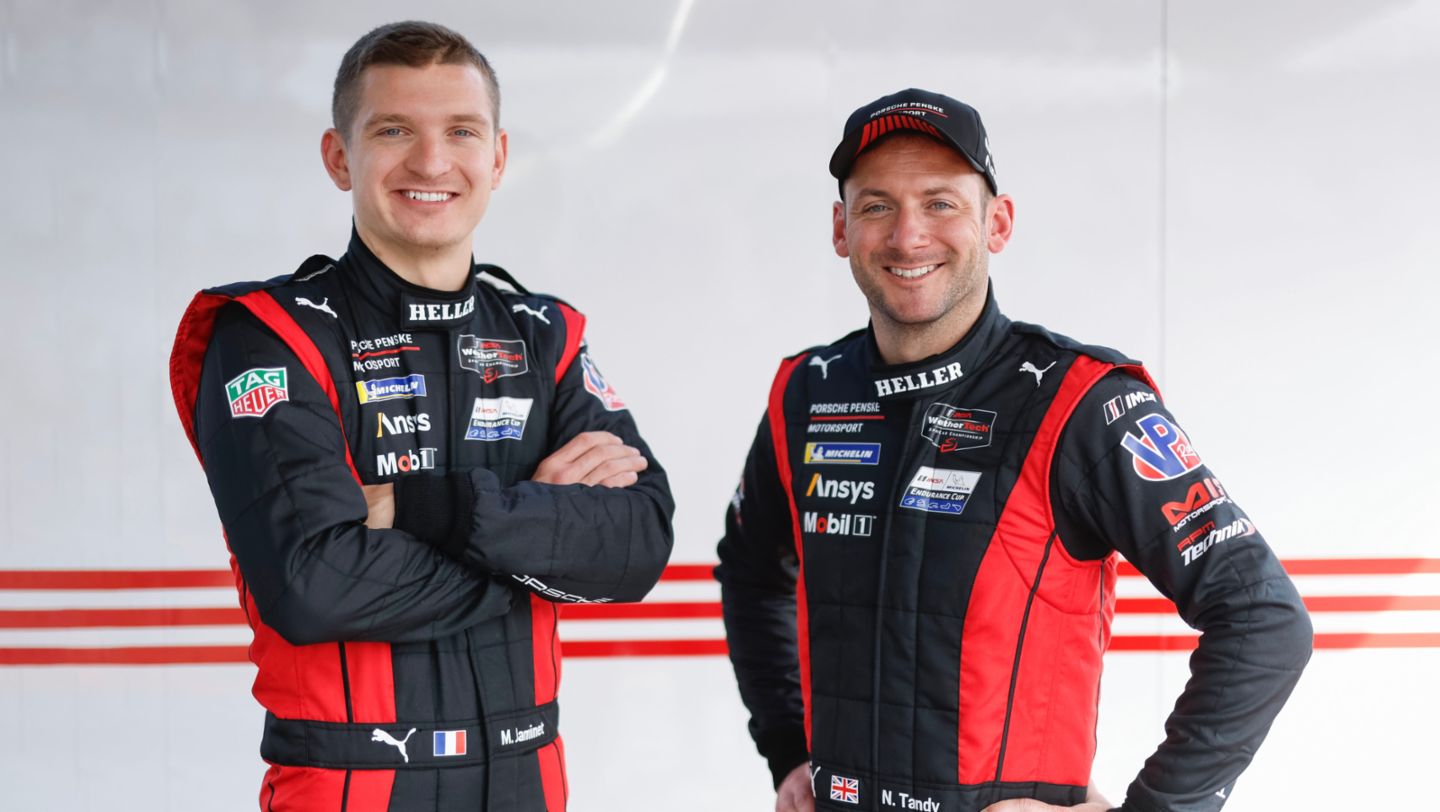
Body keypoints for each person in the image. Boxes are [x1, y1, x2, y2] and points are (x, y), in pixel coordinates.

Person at [716, 88, 1312, 812]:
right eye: (877, 205)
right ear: (841, 229)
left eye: (941, 203)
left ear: (997, 223)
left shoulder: (1081, 400)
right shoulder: (806, 392)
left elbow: (1263, 616)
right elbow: (750, 574)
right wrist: (787, 750)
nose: (908, 236)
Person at [168, 21, 673, 811]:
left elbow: (638, 543)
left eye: (461, 132)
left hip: (529, 778)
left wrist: (429, 509)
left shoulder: (545, 337)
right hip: (347, 785)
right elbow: (311, 587)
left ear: (498, 158)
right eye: (394, 130)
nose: (432, 163)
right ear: (341, 157)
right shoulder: (270, 336)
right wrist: (535, 549)